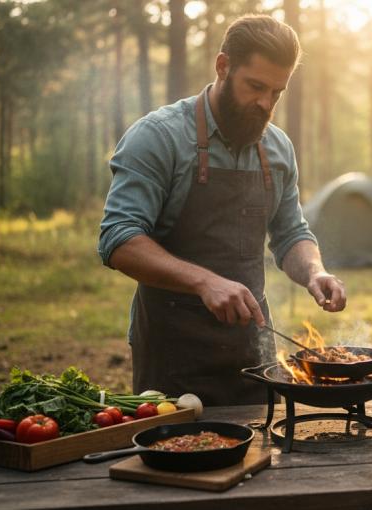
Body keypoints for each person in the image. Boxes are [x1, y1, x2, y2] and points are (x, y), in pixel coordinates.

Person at [98, 15, 346, 406]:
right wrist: (204, 282)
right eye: (256, 87)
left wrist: (315, 272)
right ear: (223, 66)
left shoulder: (278, 149)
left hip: (254, 353)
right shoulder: (158, 137)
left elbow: (291, 234)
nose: (266, 104)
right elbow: (118, 239)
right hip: (174, 352)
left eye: (277, 93)